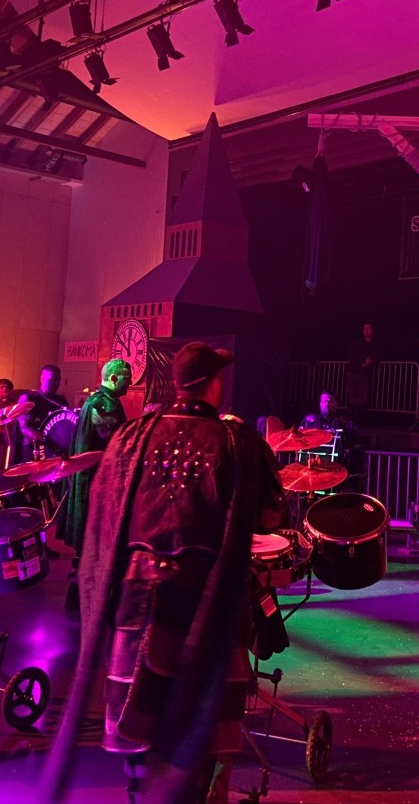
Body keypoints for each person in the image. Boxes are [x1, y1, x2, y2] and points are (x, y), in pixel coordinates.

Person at [43, 341, 284, 804]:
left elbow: (105, 513)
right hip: (204, 601)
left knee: (140, 715)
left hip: (138, 598)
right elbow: (270, 517)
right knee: (198, 723)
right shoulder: (236, 441)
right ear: (214, 384)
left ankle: (140, 793)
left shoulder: (133, 436)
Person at [58, 359, 131, 611]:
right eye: (127, 377)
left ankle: (80, 597)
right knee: (93, 539)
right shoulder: (103, 404)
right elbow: (113, 441)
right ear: (114, 378)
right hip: (95, 481)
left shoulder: (98, 401)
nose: (130, 382)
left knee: (88, 542)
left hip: (89, 477)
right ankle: (83, 600)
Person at [17, 365, 69, 462]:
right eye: (52, 380)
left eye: (58, 380)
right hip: (33, 450)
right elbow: (23, 426)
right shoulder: (29, 398)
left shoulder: (61, 400)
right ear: (42, 379)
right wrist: (35, 435)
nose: (56, 383)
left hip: (56, 450)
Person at [345, 323, 378, 410]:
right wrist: (363, 362)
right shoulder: (357, 342)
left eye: (368, 328)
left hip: (365, 373)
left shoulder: (375, 344)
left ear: (373, 331)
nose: (366, 330)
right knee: (351, 396)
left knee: (362, 397)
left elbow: (377, 356)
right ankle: (351, 413)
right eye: (365, 328)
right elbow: (351, 356)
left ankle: (358, 414)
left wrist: (370, 362)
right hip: (353, 371)